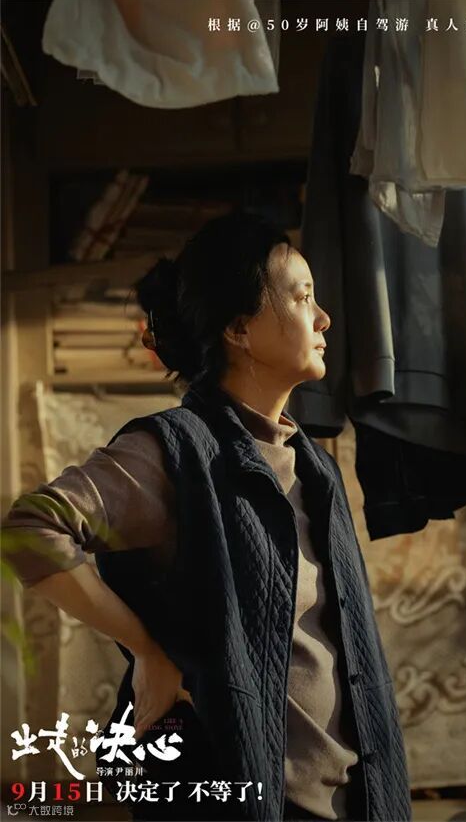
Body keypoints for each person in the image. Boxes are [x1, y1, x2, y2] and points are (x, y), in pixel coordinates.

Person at [2, 212, 411, 822]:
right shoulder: (173, 452)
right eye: (302, 297)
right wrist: (147, 650)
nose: (323, 318)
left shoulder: (313, 467)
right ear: (239, 328)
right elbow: (28, 531)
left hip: (354, 802)